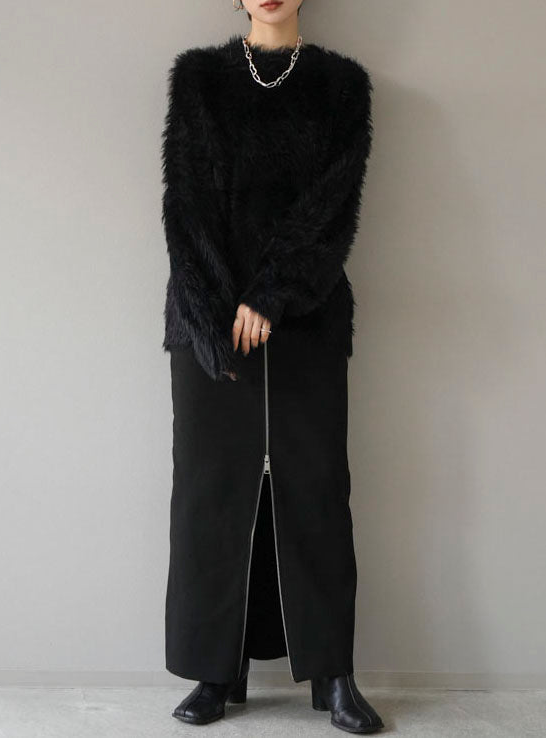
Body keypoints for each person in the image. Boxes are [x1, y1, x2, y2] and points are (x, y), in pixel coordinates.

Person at [161, 0, 384, 732]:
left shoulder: (341, 86)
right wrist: (217, 310)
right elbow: (186, 205)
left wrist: (272, 294)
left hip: (306, 316)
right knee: (209, 491)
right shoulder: (199, 79)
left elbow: (332, 208)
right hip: (207, 319)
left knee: (316, 488)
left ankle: (334, 675)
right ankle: (213, 672)